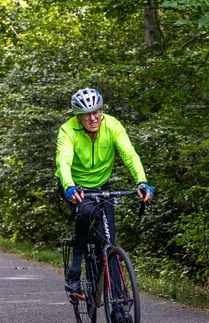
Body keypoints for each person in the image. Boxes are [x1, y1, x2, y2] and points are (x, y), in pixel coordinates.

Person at [55, 87, 153, 305]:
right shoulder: (67, 130)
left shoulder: (113, 125)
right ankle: (75, 268)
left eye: (96, 111)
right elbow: (63, 161)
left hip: (101, 186)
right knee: (86, 211)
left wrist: (141, 181)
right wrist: (69, 185)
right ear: (78, 116)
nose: (93, 117)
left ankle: (118, 303)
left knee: (108, 241)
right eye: (87, 114)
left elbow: (129, 154)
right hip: (74, 185)